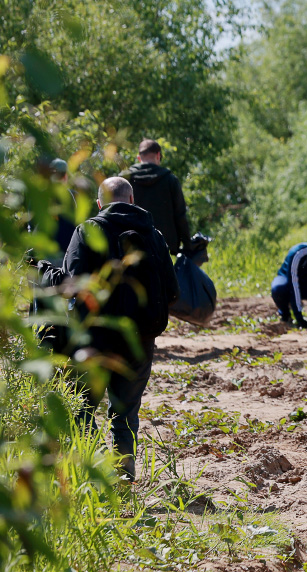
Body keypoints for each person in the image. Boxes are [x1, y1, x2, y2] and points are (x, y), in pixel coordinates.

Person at [63, 177, 178, 481]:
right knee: (125, 409)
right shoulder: (153, 234)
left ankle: (93, 466)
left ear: (99, 203)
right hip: (140, 337)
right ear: (131, 199)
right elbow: (173, 290)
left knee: (82, 405)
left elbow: (71, 283)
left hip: (95, 337)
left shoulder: (87, 231)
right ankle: (124, 466)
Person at [121, 139, 191, 255]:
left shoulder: (125, 179)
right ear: (158, 155)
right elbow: (180, 215)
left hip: (132, 245)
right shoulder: (170, 180)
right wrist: (188, 247)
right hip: (164, 247)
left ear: (139, 158)